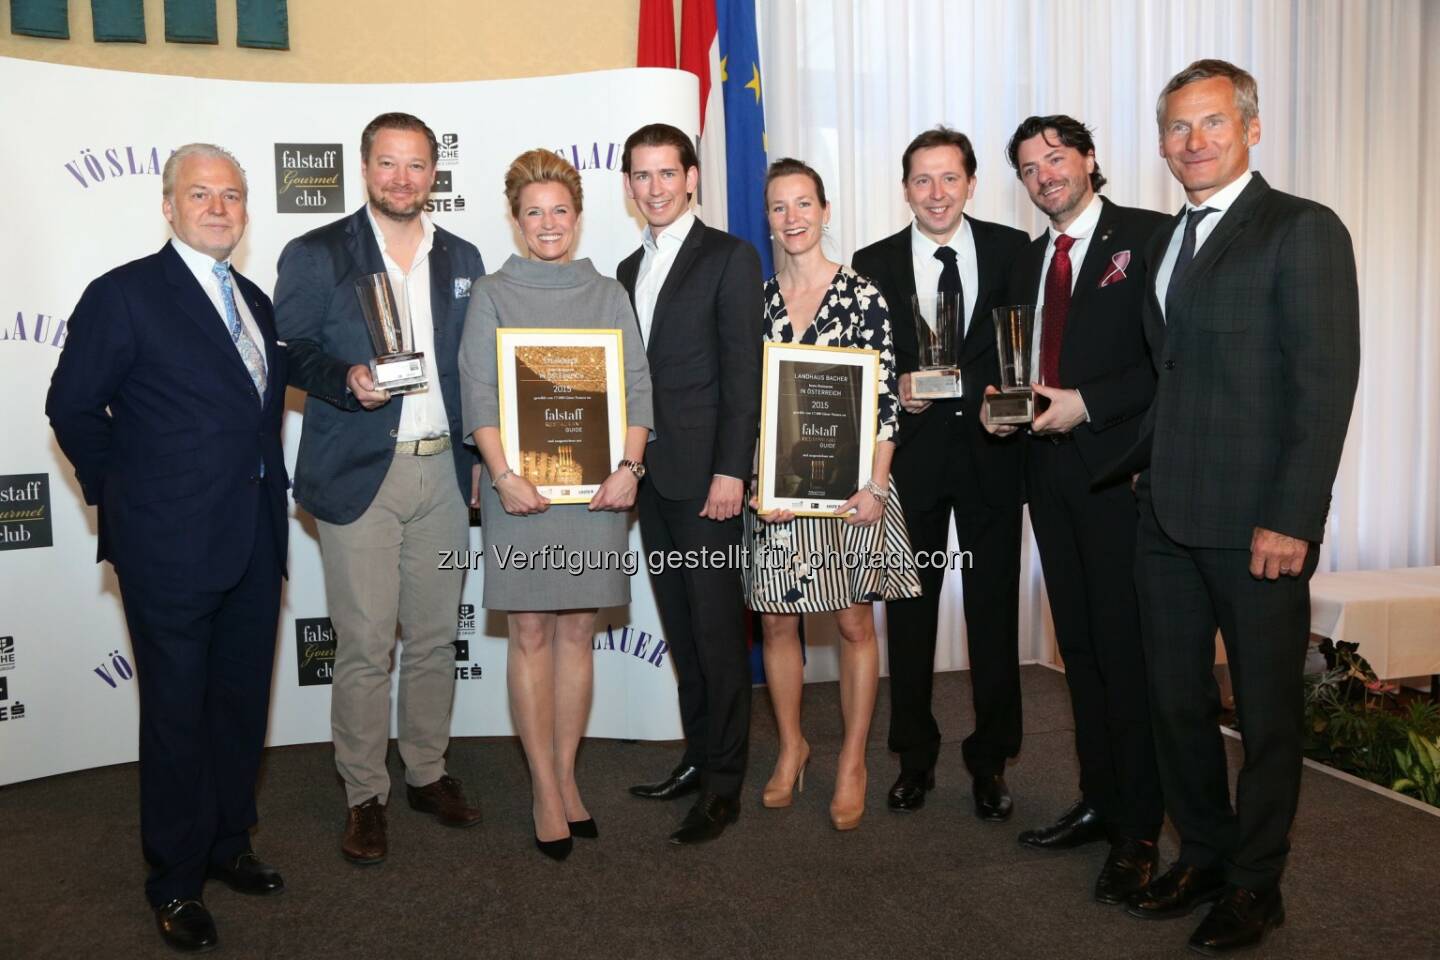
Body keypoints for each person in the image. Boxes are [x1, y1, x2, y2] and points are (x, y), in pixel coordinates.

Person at [1123, 60, 1360, 954]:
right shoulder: (1163, 242)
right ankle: (1205, 854)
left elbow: (1324, 385)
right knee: (1175, 702)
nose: (1194, 142)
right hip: (1165, 517)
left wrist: (1294, 516)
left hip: (1259, 524)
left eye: (1212, 122)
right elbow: (1171, 373)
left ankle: (1259, 883)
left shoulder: (1302, 229)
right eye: (1178, 127)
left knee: (1265, 716)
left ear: (1251, 128)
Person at [46, 144, 288, 953]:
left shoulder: (254, 300)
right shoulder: (123, 295)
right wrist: (126, 498)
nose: (219, 208)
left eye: (232, 195)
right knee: (177, 714)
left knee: (239, 705)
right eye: (201, 194)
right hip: (168, 545)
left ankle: (227, 843)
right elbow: (72, 408)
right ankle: (176, 879)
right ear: (168, 205)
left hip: (254, 537)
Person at [274, 112, 485, 865]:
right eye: (388, 163)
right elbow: (289, 351)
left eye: (416, 165)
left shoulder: (461, 256)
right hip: (360, 470)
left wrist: (482, 455)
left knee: (433, 636)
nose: (402, 178)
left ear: (434, 173)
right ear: (364, 169)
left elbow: (476, 366)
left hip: (443, 470)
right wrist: (345, 378)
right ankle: (364, 793)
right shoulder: (317, 253)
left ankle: (426, 771)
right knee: (366, 644)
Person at [986, 115, 1168, 904]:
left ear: (1090, 159)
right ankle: (1100, 799)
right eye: (1030, 168)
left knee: (1127, 658)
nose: (1044, 176)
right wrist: (1002, 404)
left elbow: (1168, 364)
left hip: (1119, 478)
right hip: (1048, 476)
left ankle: (1141, 829)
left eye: (1056, 159)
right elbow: (1022, 365)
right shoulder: (1030, 260)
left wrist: (1087, 403)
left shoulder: (1151, 238)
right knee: (1081, 652)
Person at [458, 149, 653, 861]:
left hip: (596, 495)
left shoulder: (608, 293)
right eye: (534, 212)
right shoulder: (492, 293)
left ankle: (567, 777)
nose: (548, 224)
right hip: (520, 492)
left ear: (578, 216)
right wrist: (502, 475)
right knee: (532, 632)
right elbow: (479, 391)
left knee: (578, 634)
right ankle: (543, 787)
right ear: (516, 220)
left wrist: (630, 467)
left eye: (559, 210)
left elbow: (636, 387)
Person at [851, 127, 1028, 821]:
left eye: (949, 178)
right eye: (922, 179)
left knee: (993, 614)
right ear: (905, 189)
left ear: (971, 183)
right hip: (912, 466)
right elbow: (865, 368)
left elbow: (1027, 349)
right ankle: (914, 759)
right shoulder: (873, 263)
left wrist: (1008, 401)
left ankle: (991, 762)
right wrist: (897, 387)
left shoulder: (1014, 249)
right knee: (910, 615)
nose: (936, 192)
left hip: (993, 459)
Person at [744, 159, 921, 831]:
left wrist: (876, 484)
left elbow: (884, 401)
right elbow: (750, 404)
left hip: (851, 489)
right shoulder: (756, 301)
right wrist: (761, 479)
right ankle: (792, 746)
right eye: (779, 207)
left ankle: (852, 760)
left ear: (824, 210)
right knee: (776, 622)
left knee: (852, 622)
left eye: (803, 204)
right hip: (779, 493)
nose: (792, 218)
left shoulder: (862, 295)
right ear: (768, 218)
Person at [616, 123, 764, 844]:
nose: (655, 188)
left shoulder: (730, 257)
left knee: (718, 635)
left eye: (667, 173)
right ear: (628, 185)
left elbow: (744, 372)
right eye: (642, 176)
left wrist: (732, 469)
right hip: (650, 481)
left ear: (692, 177)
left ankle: (725, 785)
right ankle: (699, 756)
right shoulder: (625, 268)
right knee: (682, 630)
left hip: (709, 483)